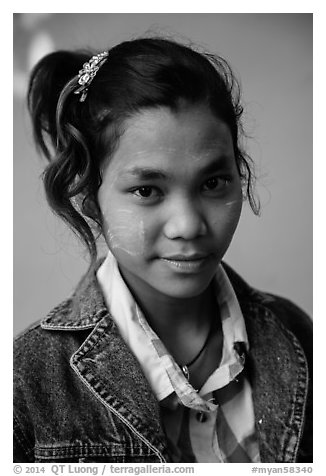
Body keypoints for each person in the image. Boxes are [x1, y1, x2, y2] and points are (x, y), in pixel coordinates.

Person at [13, 37, 312, 463]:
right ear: (91, 200)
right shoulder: (27, 385)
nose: (188, 224)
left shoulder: (298, 337)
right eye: (147, 190)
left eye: (213, 183)